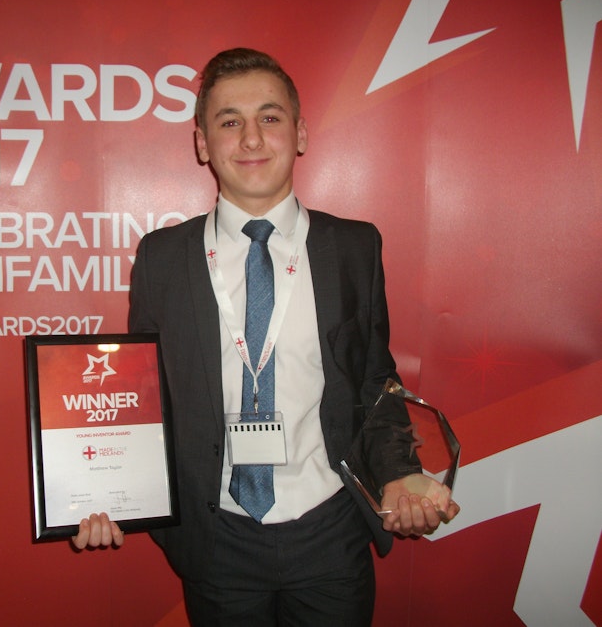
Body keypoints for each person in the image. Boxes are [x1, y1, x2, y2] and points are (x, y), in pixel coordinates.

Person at [73, 47, 459, 626]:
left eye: (270, 117)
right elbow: (141, 398)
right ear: (203, 143)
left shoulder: (354, 247)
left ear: (300, 134)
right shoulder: (162, 258)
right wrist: (107, 491)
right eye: (229, 121)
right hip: (216, 539)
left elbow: (374, 380)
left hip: (331, 530)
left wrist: (399, 472)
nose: (251, 138)